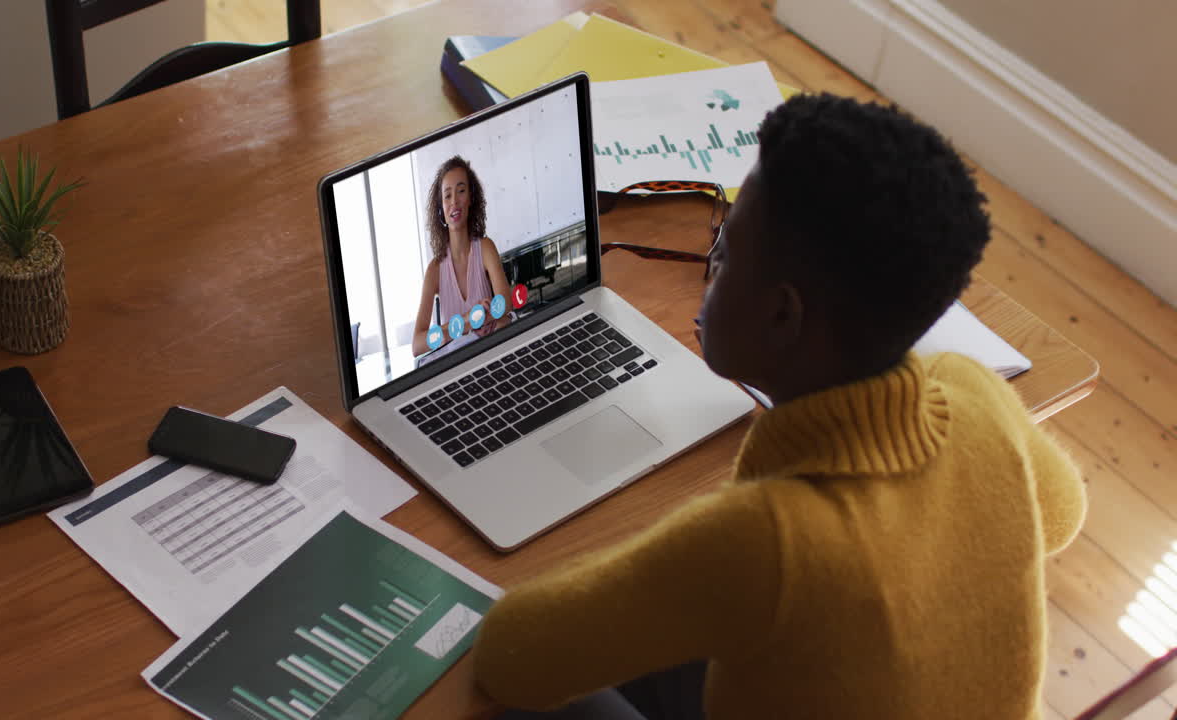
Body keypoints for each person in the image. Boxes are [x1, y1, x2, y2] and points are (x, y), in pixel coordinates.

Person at [472, 93, 1086, 719]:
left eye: (727, 252)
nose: (710, 267)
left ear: (782, 313)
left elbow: (509, 654)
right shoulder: (974, 392)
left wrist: (668, 557)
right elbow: (1063, 511)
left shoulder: (764, 542)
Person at [412, 155, 512, 357]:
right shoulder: (434, 270)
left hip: (492, 353)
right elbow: (417, 345)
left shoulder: (485, 248)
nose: (454, 202)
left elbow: (506, 304)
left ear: (471, 199)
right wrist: (468, 321)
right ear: (440, 207)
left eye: (461, 191)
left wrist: (480, 319)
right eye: (447, 195)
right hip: (460, 364)